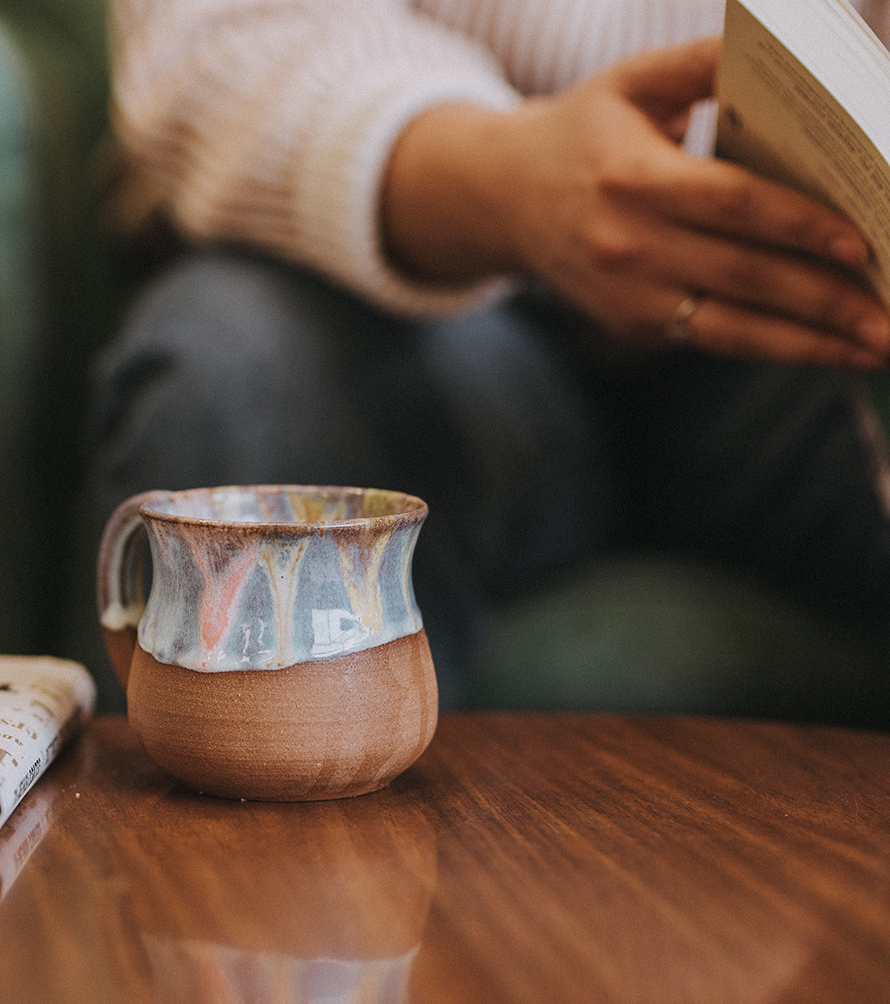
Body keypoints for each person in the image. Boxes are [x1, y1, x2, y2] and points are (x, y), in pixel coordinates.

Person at [81, 0, 890, 715]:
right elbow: (217, 39)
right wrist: (511, 181)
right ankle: (243, 876)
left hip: (822, 323)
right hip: (440, 262)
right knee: (238, 373)